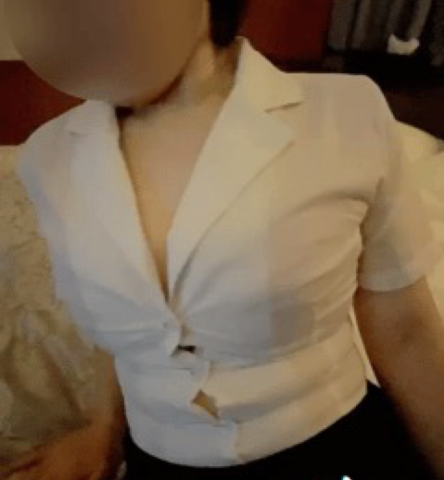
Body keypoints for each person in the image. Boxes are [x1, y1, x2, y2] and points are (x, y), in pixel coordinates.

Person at [3, 0, 444, 479]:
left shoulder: (345, 112)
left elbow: (406, 330)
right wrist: (103, 431)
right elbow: (129, 323)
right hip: (159, 462)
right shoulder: (47, 159)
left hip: (336, 452)